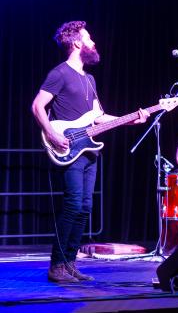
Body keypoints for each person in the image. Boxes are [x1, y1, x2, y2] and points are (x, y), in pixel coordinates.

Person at [31, 21, 149, 283]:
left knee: (85, 207)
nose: (93, 43)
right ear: (76, 43)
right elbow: (38, 106)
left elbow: (98, 117)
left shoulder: (90, 79)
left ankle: (69, 263)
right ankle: (56, 266)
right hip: (68, 147)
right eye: (89, 38)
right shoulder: (59, 73)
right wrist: (52, 134)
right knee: (72, 205)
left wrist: (132, 119)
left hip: (89, 150)